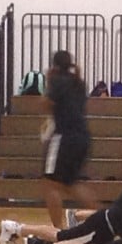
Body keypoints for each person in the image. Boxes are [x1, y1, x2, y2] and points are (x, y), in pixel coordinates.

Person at [42, 50, 96, 228]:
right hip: (83, 137)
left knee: (50, 184)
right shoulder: (79, 83)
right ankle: (103, 217)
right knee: (71, 184)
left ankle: (58, 230)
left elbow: (46, 105)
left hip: (64, 137)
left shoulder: (57, 82)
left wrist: (48, 81)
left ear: (55, 65)